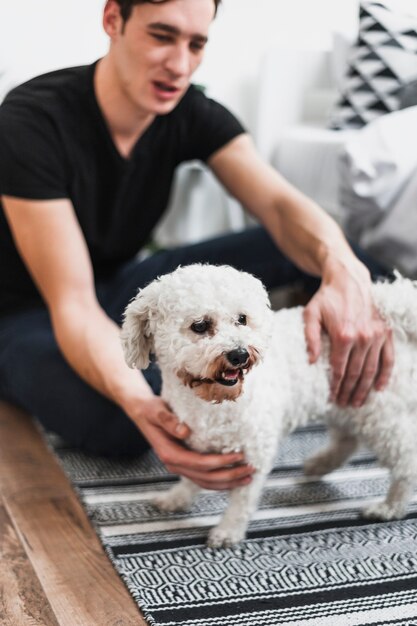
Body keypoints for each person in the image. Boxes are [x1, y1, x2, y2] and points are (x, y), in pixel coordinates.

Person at [0, 0, 393, 492]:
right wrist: (142, 406)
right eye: (162, 36)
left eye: (196, 43)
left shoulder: (189, 109)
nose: (180, 64)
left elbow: (277, 204)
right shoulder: (30, 121)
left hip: (122, 282)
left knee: (341, 254)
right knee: (132, 420)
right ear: (112, 21)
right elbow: (73, 303)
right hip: (26, 311)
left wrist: (343, 273)